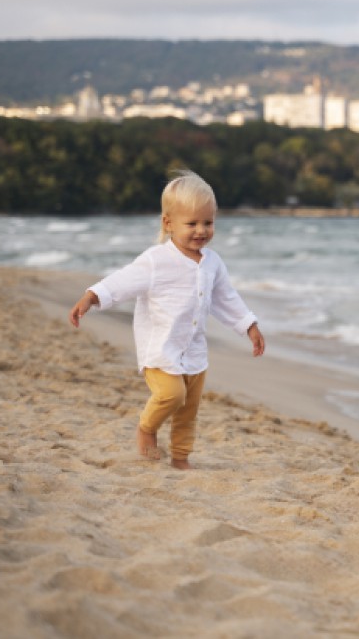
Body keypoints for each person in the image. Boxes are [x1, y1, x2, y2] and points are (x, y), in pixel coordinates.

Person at [69, 170, 265, 470]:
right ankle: (146, 429)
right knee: (171, 395)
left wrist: (249, 326)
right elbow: (123, 281)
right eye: (192, 223)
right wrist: (92, 296)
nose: (201, 231)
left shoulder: (213, 263)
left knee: (188, 410)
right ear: (168, 223)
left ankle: (181, 457)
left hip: (195, 354)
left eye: (208, 223)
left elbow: (226, 298)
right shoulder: (156, 260)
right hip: (160, 351)